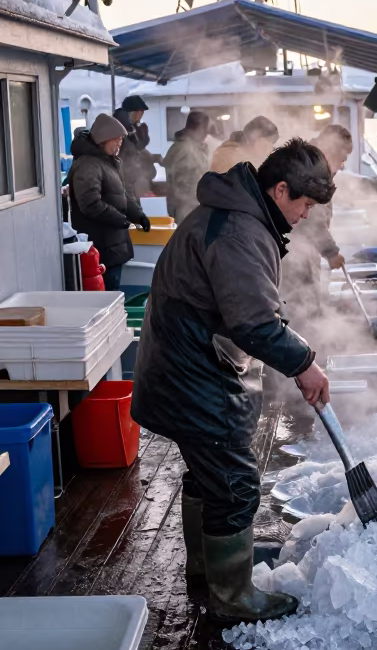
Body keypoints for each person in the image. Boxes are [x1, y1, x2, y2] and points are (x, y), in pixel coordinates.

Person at [131, 139, 333, 624]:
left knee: (210, 473)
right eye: (304, 203)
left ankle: (211, 570)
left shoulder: (236, 214)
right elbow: (254, 323)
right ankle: (232, 597)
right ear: (279, 189)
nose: (306, 215)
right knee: (236, 483)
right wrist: (304, 362)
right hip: (191, 370)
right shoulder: (241, 230)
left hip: (183, 363)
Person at [282, 124, 353, 334]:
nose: (342, 165)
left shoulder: (309, 162)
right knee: (300, 306)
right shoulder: (312, 169)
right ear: (331, 150)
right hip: (295, 250)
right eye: (342, 158)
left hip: (301, 248)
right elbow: (310, 220)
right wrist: (331, 252)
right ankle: (303, 355)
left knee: (303, 304)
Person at [68, 113, 151, 290]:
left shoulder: (110, 163)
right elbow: (90, 203)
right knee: (106, 296)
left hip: (113, 244)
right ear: (102, 140)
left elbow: (122, 195)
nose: (119, 143)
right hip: (101, 245)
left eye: (121, 139)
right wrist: (120, 219)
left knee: (113, 292)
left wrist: (138, 215)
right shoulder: (88, 165)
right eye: (116, 139)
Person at [164, 110, 210, 223]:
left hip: (196, 206)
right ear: (197, 128)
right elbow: (181, 183)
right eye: (205, 129)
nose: (206, 133)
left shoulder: (196, 147)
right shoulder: (184, 149)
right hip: (187, 208)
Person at [113, 94, 159, 199]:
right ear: (134, 113)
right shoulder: (121, 130)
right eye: (140, 112)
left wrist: (152, 157)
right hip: (123, 181)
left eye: (142, 113)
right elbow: (128, 153)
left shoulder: (133, 128)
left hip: (131, 181)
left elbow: (138, 149)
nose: (141, 115)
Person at [210, 115, 279, 174]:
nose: (269, 151)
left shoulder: (247, 157)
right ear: (253, 139)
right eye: (265, 145)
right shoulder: (230, 158)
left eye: (271, 147)